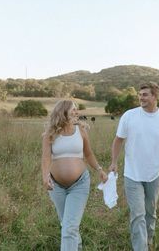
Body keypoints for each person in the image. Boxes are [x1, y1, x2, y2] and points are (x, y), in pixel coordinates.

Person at [109, 82, 159, 251]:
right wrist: (113, 162)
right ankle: (140, 248)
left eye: (145, 94)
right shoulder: (129, 116)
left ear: (155, 97)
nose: (141, 97)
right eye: (140, 94)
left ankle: (148, 241)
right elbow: (118, 140)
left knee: (150, 212)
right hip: (132, 174)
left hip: (155, 174)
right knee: (138, 214)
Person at [41, 99, 107, 251]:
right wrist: (45, 176)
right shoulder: (50, 134)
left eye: (77, 109)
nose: (77, 112)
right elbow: (46, 158)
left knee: (69, 227)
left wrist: (99, 169)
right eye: (73, 109)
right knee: (67, 224)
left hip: (79, 184)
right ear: (63, 112)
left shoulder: (81, 131)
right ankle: (77, 246)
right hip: (56, 185)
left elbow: (89, 154)